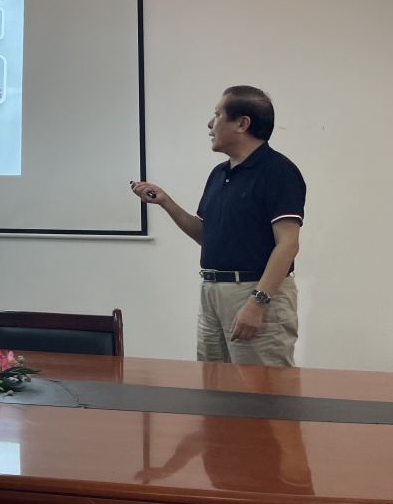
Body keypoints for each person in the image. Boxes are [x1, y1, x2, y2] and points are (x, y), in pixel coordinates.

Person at [130, 86, 305, 366]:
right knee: (213, 386)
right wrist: (165, 202)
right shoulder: (220, 173)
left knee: (262, 388)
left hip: (254, 292)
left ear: (242, 123)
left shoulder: (278, 171)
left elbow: (288, 244)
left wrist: (257, 303)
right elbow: (205, 235)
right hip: (212, 292)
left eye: (218, 114)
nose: (210, 124)